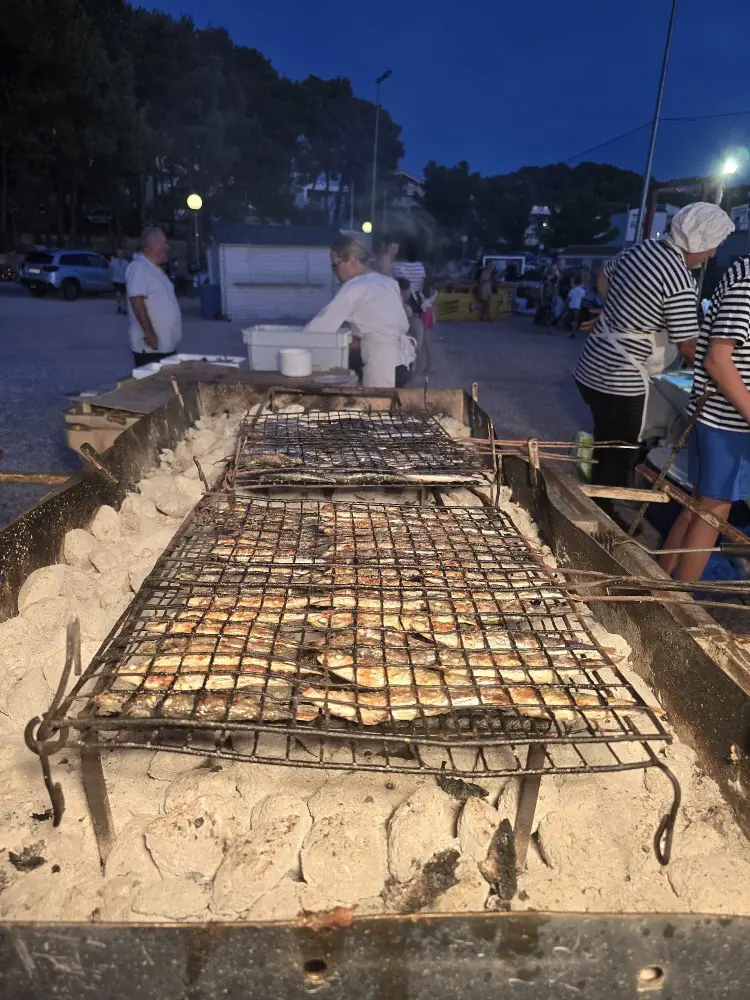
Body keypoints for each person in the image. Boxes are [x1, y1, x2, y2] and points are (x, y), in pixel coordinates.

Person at [573, 202, 734, 490]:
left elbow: (604, 276)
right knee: (619, 454)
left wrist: (617, 312)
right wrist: (723, 373)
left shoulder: (641, 249)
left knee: (604, 440)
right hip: (621, 381)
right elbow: (687, 345)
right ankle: (605, 514)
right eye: (713, 245)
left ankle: (597, 495)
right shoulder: (679, 280)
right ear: (699, 241)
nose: (713, 253)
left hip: (591, 369)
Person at [661, 256, 750, 580]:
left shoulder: (739, 274)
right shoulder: (746, 284)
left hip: (724, 416)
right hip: (728, 420)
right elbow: (717, 359)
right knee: (714, 510)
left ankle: (661, 585)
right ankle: (680, 603)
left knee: (698, 504)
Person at [304, 236, 409, 388]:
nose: (334, 271)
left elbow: (319, 329)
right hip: (403, 363)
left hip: (382, 365)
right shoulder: (388, 282)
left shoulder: (354, 287)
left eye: (335, 265)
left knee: (378, 409)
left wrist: (292, 343)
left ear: (351, 261)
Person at [126, 226, 182, 368]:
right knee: (152, 389)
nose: (167, 247)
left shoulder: (156, 270)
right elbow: (137, 301)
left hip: (165, 348)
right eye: (165, 243)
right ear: (154, 245)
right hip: (151, 349)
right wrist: (149, 334)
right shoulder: (138, 267)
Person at [108, 249, 129, 314]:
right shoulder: (113, 261)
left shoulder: (126, 262)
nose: (120, 254)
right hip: (116, 280)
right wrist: (110, 279)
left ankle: (125, 309)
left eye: (121, 253)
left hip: (124, 280)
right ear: (117, 254)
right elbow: (110, 270)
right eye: (119, 253)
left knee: (124, 295)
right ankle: (119, 306)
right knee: (118, 294)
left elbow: (128, 271)